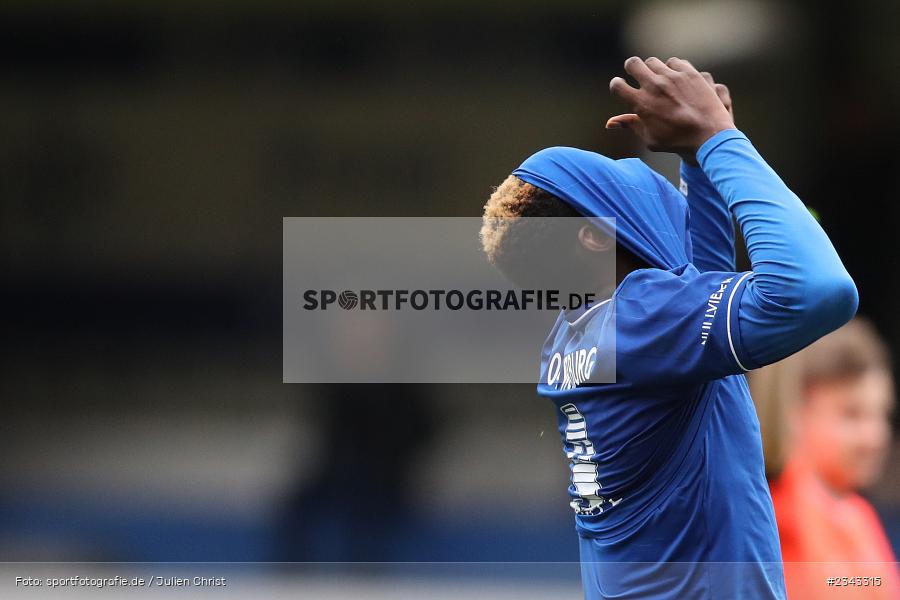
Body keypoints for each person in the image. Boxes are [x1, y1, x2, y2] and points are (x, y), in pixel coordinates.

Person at [480, 56, 858, 599]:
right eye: (630, 186)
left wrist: (698, 159)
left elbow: (700, 280)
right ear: (594, 237)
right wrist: (720, 139)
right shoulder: (642, 317)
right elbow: (817, 291)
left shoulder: (584, 334)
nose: (655, 188)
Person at [757, 318, 899, 599]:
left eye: (881, 414)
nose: (876, 436)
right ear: (793, 411)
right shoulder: (774, 519)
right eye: (851, 414)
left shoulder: (857, 515)